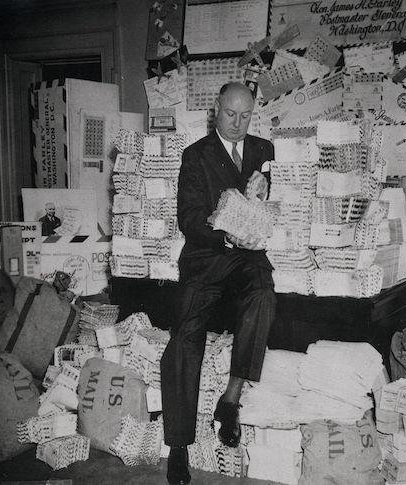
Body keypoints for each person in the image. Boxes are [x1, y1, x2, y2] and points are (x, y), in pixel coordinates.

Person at [161, 82, 276, 485]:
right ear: (215, 109)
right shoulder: (196, 156)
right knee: (185, 334)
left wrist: (263, 195)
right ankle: (179, 446)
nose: (238, 123)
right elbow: (189, 219)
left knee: (263, 294)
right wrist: (226, 233)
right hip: (207, 256)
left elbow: (269, 201)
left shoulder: (263, 149)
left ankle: (231, 399)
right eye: (230, 114)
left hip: (248, 258)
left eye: (246, 116)